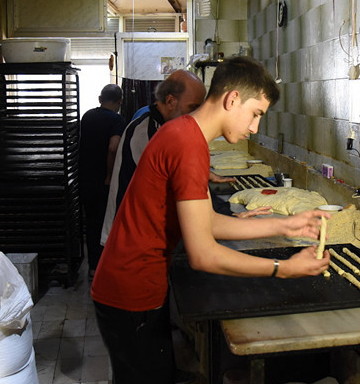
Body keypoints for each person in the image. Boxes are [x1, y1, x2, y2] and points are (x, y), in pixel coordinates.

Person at [91, 56, 331, 384]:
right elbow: (203, 253)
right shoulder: (187, 145)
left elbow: (209, 222)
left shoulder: (186, 135)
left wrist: (285, 225)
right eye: (256, 114)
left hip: (134, 286)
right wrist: (283, 269)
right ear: (232, 99)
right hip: (129, 292)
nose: (254, 127)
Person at [100, 69, 268, 251]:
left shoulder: (167, 129)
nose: (196, 115)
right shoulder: (146, 131)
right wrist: (228, 218)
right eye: (192, 108)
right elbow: (179, 186)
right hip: (128, 238)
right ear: (171, 101)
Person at [79, 83, 126, 277]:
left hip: (85, 178)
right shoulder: (117, 120)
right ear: (120, 102)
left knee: (92, 224)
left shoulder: (87, 116)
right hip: (104, 182)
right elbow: (113, 147)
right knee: (108, 224)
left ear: (100, 99)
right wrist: (109, 176)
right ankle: (108, 268)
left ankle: (93, 267)